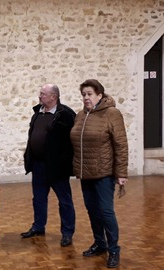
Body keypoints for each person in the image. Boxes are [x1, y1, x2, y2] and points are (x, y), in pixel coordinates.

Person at [70, 79, 128, 268]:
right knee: (92, 211)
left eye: (89, 94)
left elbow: (121, 144)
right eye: (84, 94)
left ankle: (113, 249)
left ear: (99, 95)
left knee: (105, 211)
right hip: (85, 172)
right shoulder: (80, 115)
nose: (86, 98)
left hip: (104, 173)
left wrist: (121, 173)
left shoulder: (112, 114)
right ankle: (99, 243)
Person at [21, 84, 76, 247]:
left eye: (43, 94)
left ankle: (67, 233)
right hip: (38, 165)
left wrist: (65, 160)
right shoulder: (38, 113)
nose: (40, 96)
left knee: (64, 201)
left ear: (54, 97)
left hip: (57, 167)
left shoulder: (65, 114)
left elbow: (72, 141)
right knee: (38, 199)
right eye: (40, 93)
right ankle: (38, 226)